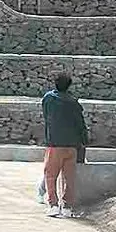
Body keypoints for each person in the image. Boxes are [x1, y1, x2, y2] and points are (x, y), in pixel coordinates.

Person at [41, 73, 88, 218]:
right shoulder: (74, 102)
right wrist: (83, 142)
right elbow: (81, 124)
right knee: (69, 177)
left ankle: (53, 205)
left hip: (55, 144)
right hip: (72, 145)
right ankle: (67, 207)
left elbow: (46, 115)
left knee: (50, 175)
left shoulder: (49, 98)